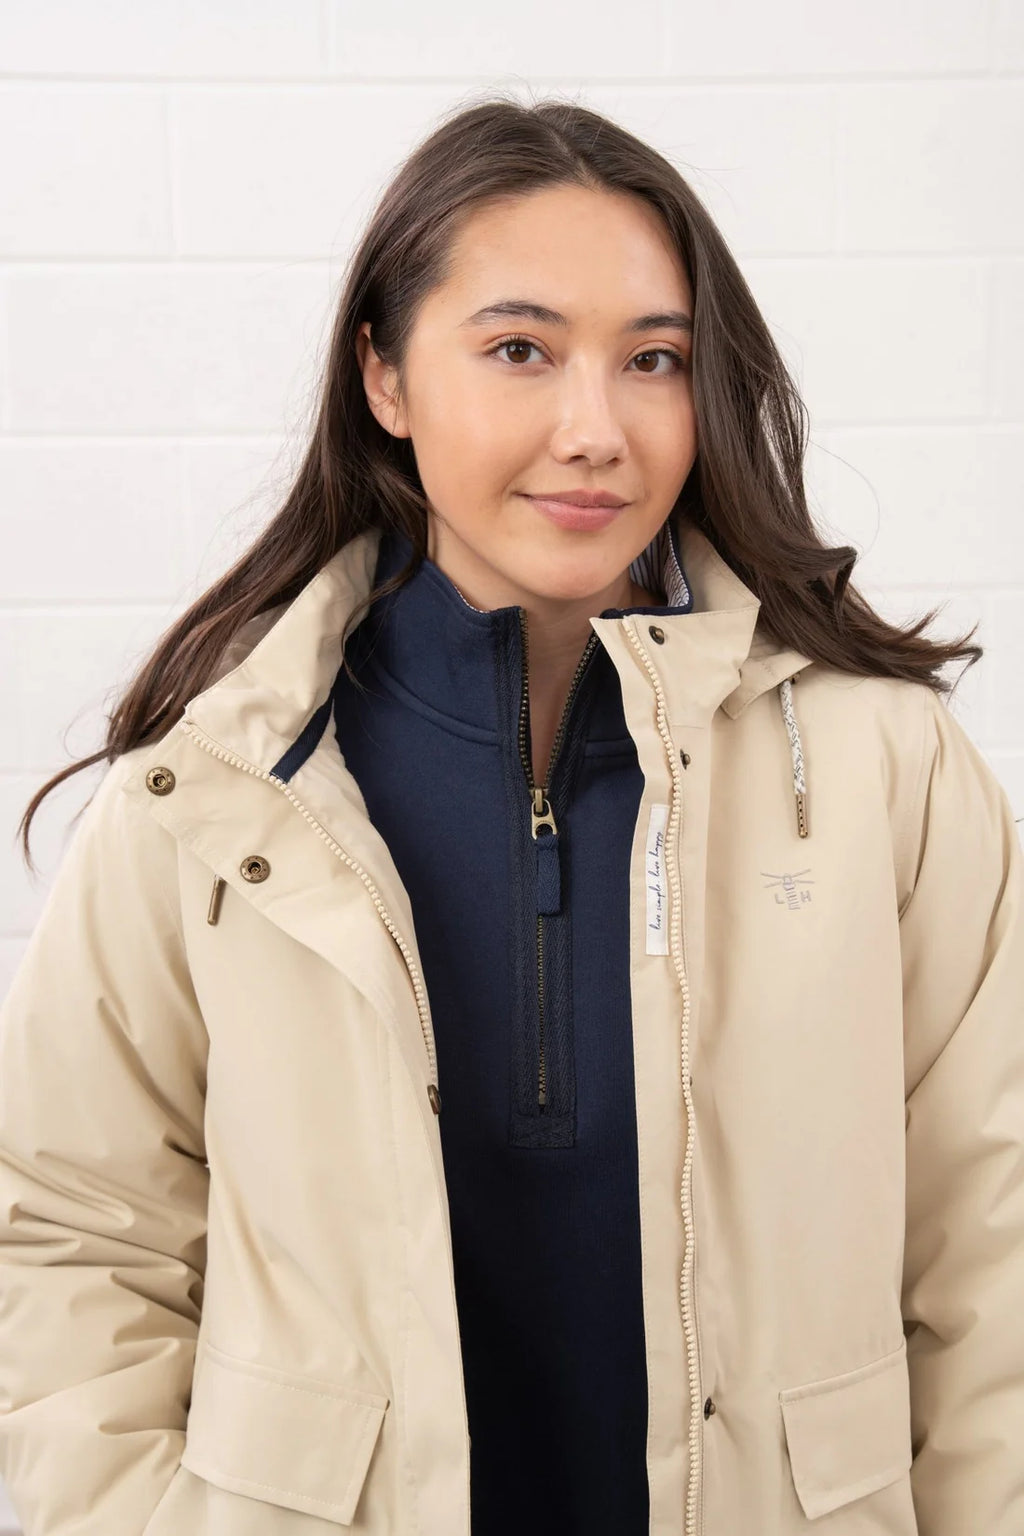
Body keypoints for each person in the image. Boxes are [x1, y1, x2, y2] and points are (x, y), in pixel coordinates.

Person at [0, 95, 1021, 1536]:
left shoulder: (879, 770)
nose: (594, 430)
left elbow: (998, 1251)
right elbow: (66, 1238)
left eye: (653, 360)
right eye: (520, 351)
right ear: (386, 376)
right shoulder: (217, 791)